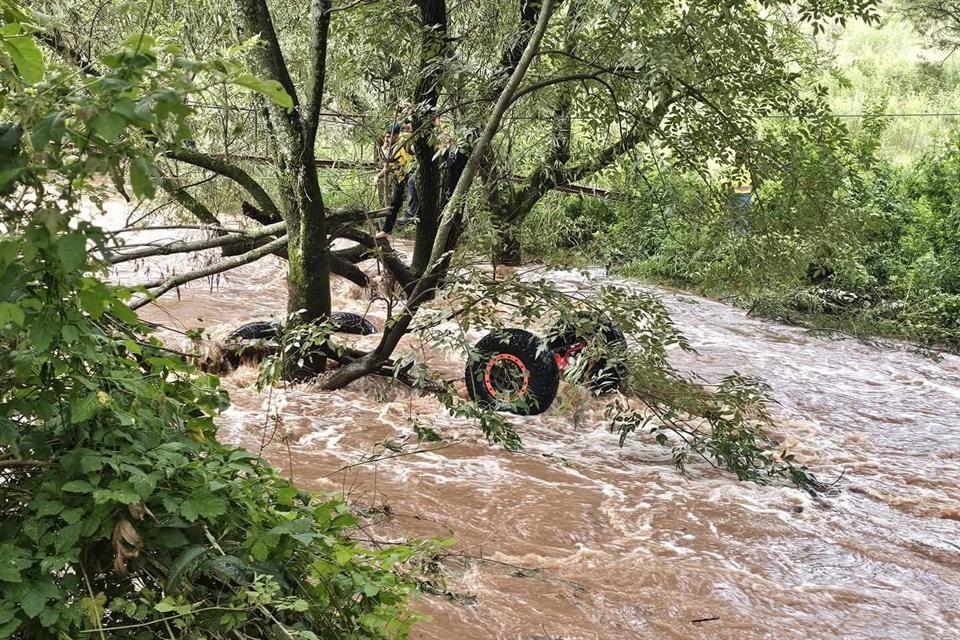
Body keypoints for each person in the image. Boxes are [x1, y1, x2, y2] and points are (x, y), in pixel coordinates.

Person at [374, 123, 416, 239]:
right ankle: (386, 230)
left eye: (389, 136)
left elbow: (414, 150)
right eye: (385, 137)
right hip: (400, 176)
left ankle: (411, 214)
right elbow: (387, 168)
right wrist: (378, 176)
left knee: (412, 183)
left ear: (396, 135)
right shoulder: (389, 147)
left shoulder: (405, 141)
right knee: (394, 203)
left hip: (411, 172)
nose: (386, 139)